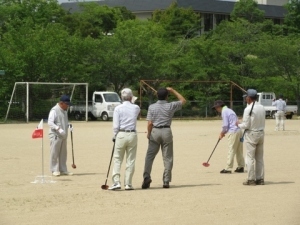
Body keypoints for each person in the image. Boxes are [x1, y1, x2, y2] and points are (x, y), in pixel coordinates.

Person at [142, 87, 186, 189]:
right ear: (167, 96)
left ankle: (146, 177)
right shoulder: (170, 105)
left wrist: (149, 133)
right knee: (167, 157)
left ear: (157, 96)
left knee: (149, 156)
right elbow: (183, 100)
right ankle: (166, 180)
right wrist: (173, 90)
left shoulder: (152, 107)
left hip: (155, 131)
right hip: (166, 131)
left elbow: (150, 123)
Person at [108, 88, 140, 191]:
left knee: (117, 159)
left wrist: (114, 135)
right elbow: (134, 107)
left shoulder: (118, 108)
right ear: (131, 97)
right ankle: (128, 183)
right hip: (132, 135)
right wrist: (132, 101)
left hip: (121, 134)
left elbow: (116, 125)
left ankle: (116, 182)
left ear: (121, 97)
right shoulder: (136, 107)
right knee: (131, 160)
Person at [236, 89, 265, 186]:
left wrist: (238, 124)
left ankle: (251, 179)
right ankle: (260, 179)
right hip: (261, 133)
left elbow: (246, 125)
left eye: (246, 97)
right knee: (259, 158)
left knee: (250, 158)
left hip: (251, 134)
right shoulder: (261, 107)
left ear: (249, 98)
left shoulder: (248, 109)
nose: (245, 99)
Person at [212, 100, 244, 174]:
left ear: (219, 107)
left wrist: (222, 133)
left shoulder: (224, 111)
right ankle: (241, 166)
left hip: (233, 132)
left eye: (216, 108)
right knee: (239, 150)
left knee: (231, 149)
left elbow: (225, 125)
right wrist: (223, 133)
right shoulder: (229, 110)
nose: (216, 110)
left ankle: (228, 168)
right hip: (239, 131)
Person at [48, 95, 73, 177]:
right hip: (55, 135)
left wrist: (68, 125)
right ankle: (54, 170)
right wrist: (58, 129)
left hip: (63, 135)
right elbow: (50, 122)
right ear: (61, 103)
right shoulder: (54, 110)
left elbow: (63, 121)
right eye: (67, 104)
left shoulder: (65, 111)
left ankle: (63, 170)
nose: (68, 106)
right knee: (54, 152)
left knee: (63, 154)